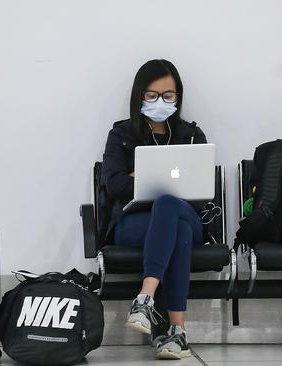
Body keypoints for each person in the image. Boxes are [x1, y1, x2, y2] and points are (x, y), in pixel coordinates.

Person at [101, 59, 206, 359]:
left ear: (178, 96)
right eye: (152, 95)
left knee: (169, 204)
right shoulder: (122, 135)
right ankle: (177, 333)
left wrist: (141, 178)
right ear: (139, 96)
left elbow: (200, 190)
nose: (160, 102)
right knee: (177, 228)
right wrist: (145, 181)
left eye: (168, 95)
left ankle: (145, 298)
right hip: (134, 222)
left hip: (187, 213)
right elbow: (114, 184)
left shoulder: (191, 136)